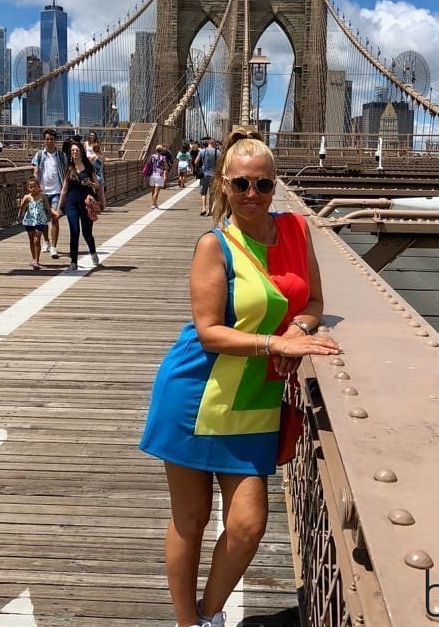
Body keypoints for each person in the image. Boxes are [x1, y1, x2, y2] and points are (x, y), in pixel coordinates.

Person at [140, 135, 340, 627]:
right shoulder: (215, 245)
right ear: (225, 185)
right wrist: (278, 345)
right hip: (196, 394)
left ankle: (209, 615)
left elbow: (313, 302)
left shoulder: (296, 229)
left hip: (256, 399)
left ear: (276, 185)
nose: (253, 193)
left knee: (248, 525)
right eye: (242, 184)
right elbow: (208, 333)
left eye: (264, 184)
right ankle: (191, 623)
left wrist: (300, 327)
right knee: (191, 521)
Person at [57, 142, 100, 271]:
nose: (75, 153)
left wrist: (90, 183)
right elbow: (64, 190)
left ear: (81, 151)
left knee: (87, 233)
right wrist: (59, 207)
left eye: (77, 150)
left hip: (86, 204)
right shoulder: (68, 168)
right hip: (71, 203)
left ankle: (93, 252)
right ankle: (73, 262)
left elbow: (98, 185)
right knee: (74, 231)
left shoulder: (88, 167)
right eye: (72, 151)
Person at [31, 128, 67, 259]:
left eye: (51, 139)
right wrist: (36, 186)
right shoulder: (39, 155)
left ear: (55, 140)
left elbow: (66, 173)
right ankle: (46, 241)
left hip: (57, 191)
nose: (49, 141)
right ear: (44, 140)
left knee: (55, 218)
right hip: (43, 192)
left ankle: (54, 247)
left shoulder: (62, 156)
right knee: (43, 220)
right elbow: (35, 172)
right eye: (47, 139)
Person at [17, 177, 53, 270]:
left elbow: (48, 208)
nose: (33, 189)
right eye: (30, 187)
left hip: (40, 220)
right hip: (29, 220)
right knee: (31, 240)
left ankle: (37, 260)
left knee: (37, 240)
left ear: (39, 187)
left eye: (35, 186)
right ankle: (33, 258)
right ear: (28, 188)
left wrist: (51, 215)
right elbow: (22, 207)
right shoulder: (27, 197)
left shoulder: (43, 197)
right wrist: (20, 214)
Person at [195, 138, 219, 216]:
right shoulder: (218, 152)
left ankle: (203, 208)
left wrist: (201, 166)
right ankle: (210, 210)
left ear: (208, 143)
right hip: (214, 176)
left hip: (204, 175)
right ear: (214, 144)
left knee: (203, 192)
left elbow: (196, 162)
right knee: (212, 193)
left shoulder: (202, 151)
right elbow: (221, 163)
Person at [148, 144, 169, 210]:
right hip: (159, 175)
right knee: (157, 192)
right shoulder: (163, 157)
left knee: (153, 191)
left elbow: (150, 164)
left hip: (152, 175)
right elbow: (166, 167)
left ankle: (155, 205)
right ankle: (153, 205)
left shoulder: (152, 156)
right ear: (162, 150)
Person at [91, 141, 108, 211]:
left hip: (94, 177)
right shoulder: (101, 156)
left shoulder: (92, 157)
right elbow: (103, 164)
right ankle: (103, 207)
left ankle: (95, 208)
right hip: (101, 176)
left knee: (93, 193)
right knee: (101, 194)